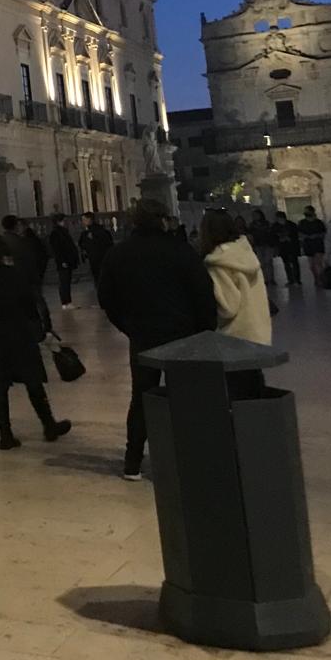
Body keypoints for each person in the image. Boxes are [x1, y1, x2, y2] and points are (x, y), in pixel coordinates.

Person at [97, 199, 217, 480]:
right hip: (183, 335)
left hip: (143, 336)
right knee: (185, 397)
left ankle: (133, 462)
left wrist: (128, 326)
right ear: (163, 220)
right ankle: (188, 458)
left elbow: (107, 297)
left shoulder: (119, 254)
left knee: (141, 398)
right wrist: (204, 330)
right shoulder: (181, 251)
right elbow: (203, 294)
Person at [0, 235, 71, 450]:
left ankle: (5, 434)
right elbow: (29, 306)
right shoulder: (15, 275)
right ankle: (48, 425)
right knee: (33, 381)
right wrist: (39, 330)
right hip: (18, 333)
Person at [200, 210, 272, 347]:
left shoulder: (219, 261)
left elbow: (228, 308)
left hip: (235, 337)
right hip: (258, 331)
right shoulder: (244, 252)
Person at [48, 214, 81, 310]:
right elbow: (57, 249)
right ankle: (66, 302)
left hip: (67, 260)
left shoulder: (63, 232)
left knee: (66, 281)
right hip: (63, 261)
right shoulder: (56, 233)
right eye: (64, 220)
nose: (66, 222)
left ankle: (67, 301)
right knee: (64, 282)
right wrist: (62, 261)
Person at [78, 212, 114, 287]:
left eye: (84, 220)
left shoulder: (96, 231)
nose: (82, 222)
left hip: (98, 258)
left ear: (89, 219)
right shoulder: (88, 232)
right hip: (96, 258)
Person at [247, 208, 277, 285]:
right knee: (261, 263)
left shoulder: (267, 224)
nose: (255, 217)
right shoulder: (252, 226)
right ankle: (265, 279)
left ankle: (271, 278)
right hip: (258, 245)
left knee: (268, 262)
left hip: (267, 244)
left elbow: (271, 234)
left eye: (256, 215)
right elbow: (250, 235)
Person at [272, 211, 302, 286]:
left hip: (292, 247)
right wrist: (279, 240)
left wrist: (289, 238)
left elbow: (296, 236)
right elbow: (273, 236)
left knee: (294, 263)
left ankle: (297, 279)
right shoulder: (275, 226)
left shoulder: (292, 225)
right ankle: (290, 279)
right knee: (286, 264)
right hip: (283, 247)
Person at [298, 206, 327, 283]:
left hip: (318, 244)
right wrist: (305, 236)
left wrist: (316, 235)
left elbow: (324, 233)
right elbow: (299, 233)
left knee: (318, 263)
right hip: (308, 245)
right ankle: (316, 278)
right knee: (311, 265)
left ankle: (321, 279)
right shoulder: (302, 223)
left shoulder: (319, 222)